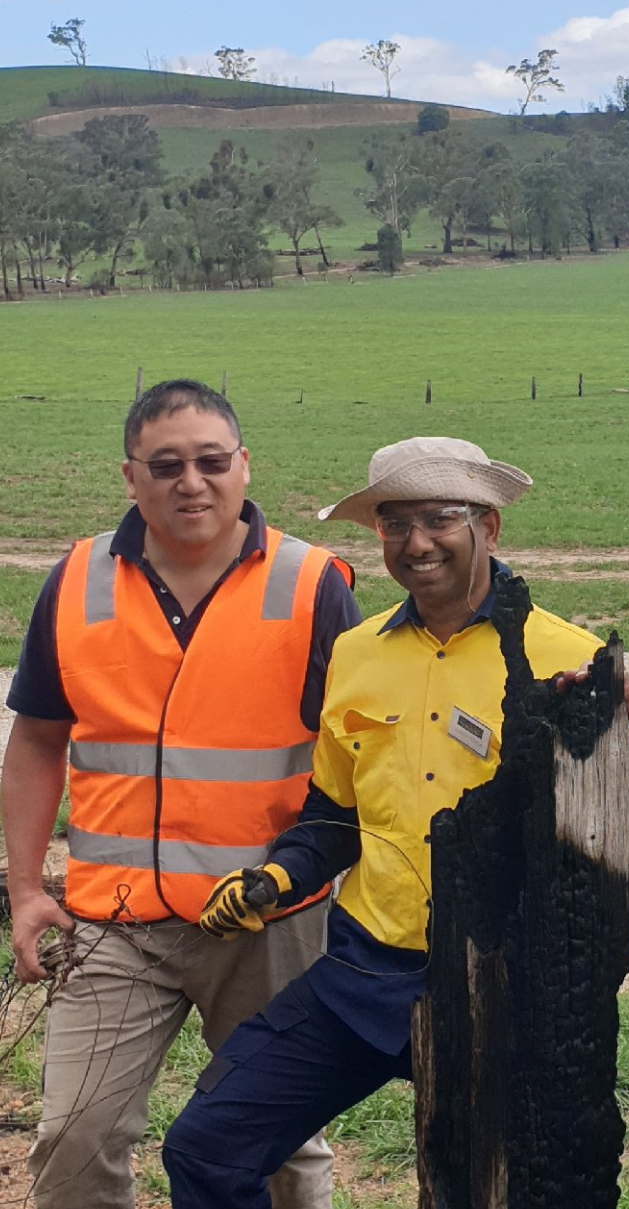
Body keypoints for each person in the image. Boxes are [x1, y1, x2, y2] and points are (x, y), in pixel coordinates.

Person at [161, 435, 606, 1207]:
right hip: (364, 974)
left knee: (484, 1188)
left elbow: (624, 838)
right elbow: (335, 814)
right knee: (207, 1146)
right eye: (395, 522)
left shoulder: (566, 658)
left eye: (441, 518)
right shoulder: (357, 652)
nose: (417, 541)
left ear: (489, 528)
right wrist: (277, 875)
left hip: (503, 987)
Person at [1, 379, 360, 1209]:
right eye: (166, 465)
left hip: (269, 920)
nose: (190, 482)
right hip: (113, 921)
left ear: (244, 466)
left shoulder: (313, 583)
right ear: (131, 478)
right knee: (74, 1139)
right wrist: (24, 888)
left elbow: (353, 761)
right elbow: (35, 740)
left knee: (282, 1144)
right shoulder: (78, 579)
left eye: (210, 460)